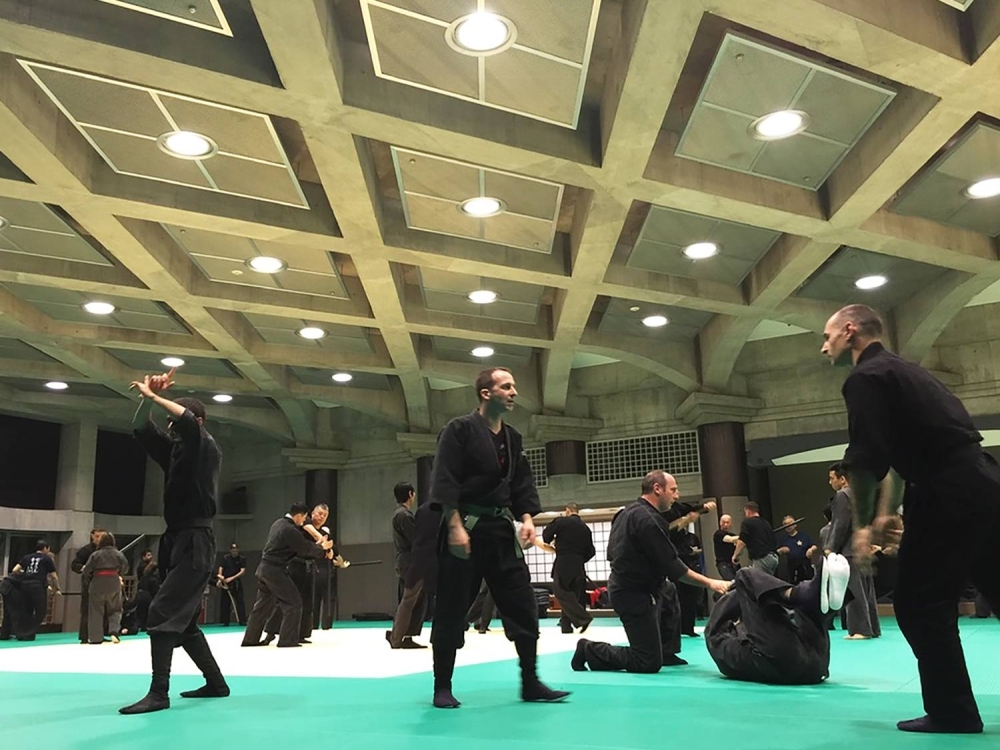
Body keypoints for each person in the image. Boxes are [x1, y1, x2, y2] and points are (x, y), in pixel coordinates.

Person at [821, 303, 1000, 734]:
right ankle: (952, 709)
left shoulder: (865, 378)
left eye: (827, 337)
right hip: (984, 482)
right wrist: (887, 513)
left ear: (850, 331)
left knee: (920, 604)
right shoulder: (907, 372)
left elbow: (865, 463)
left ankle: (953, 711)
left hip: (946, 491)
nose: (823, 346)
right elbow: (900, 461)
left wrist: (862, 526)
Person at [427, 367, 568, 708]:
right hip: (466, 530)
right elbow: (445, 477)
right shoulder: (458, 430)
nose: (514, 391)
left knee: (522, 604)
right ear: (486, 393)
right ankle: (442, 686)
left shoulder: (512, 437)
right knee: (451, 607)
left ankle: (531, 681)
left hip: (502, 532)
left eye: (514, 386)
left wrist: (527, 518)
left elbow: (521, 483)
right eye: (506, 386)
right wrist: (454, 525)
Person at [120, 368, 229, 715]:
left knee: (162, 611)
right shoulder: (176, 452)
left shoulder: (204, 446)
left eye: (175, 424)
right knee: (184, 622)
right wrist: (144, 400)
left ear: (195, 422)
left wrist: (156, 396)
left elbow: (183, 420)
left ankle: (159, 692)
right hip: (178, 539)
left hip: (197, 540)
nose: (170, 430)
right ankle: (216, 683)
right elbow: (141, 427)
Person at [571, 471, 731, 674]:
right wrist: (711, 583)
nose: (677, 495)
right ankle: (589, 649)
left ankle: (666, 651)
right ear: (657, 489)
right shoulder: (648, 520)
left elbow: (613, 552)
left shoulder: (627, 513)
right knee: (646, 662)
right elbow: (674, 567)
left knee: (669, 590)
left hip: (639, 584)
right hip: (632, 592)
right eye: (673, 490)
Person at [705, 554, 851, 685]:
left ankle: (820, 600)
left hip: (813, 664)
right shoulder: (716, 639)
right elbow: (717, 624)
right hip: (788, 663)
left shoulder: (730, 646)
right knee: (744, 576)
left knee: (802, 608)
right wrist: (733, 589)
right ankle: (804, 594)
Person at [242, 502, 333, 648]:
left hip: (264, 569)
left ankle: (250, 639)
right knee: (294, 603)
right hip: (275, 570)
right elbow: (304, 548)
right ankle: (287, 640)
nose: (303, 522)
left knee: (262, 606)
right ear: (299, 516)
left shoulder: (278, 523)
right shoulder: (290, 530)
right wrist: (321, 548)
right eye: (303, 518)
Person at [825, 463, 880, 640]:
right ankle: (873, 627)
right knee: (867, 590)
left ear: (842, 479)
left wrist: (831, 547)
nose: (830, 482)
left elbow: (840, 523)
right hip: (863, 545)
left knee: (854, 589)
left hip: (849, 548)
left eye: (832, 478)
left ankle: (861, 629)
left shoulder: (842, 495)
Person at [542, 503, 596, 634]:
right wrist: (579, 559)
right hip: (579, 565)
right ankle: (566, 627)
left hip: (563, 562)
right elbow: (591, 551)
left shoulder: (561, 522)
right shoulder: (585, 528)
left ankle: (583, 618)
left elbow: (546, 535)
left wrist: (555, 540)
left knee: (561, 592)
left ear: (567, 511)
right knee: (572, 595)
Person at [388, 481, 426, 649]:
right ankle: (397, 638)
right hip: (411, 562)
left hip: (406, 561)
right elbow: (415, 540)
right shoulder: (404, 515)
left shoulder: (399, 514)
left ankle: (404, 635)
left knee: (414, 600)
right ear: (411, 494)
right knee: (409, 600)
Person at [82, 532, 129, 644]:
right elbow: (125, 568)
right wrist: (118, 574)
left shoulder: (95, 554)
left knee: (96, 611)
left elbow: (87, 570)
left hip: (97, 582)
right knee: (116, 609)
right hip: (113, 581)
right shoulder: (118, 554)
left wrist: (88, 581)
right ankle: (114, 632)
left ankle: (95, 638)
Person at [11, 540, 60, 640]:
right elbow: (53, 575)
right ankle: (29, 632)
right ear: (46, 548)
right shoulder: (46, 558)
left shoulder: (27, 557)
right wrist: (57, 587)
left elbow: (15, 570)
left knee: (26, 610)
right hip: (38, 586)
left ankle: (22, 633)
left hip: (25, 585)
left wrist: (25, 573)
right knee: (40, 611)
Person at [71, 528, 105, 644]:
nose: (99, 539)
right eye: (97, 536)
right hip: (88, 583)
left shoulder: (107, 550)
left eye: (101, 536)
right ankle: (84, 636)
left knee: (102, 610)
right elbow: (74, 565)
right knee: (86, 610)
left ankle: (99, 634)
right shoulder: (85, 550)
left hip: (103, 583)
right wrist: (86, 568)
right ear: (92, 536)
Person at [732, 502, 778, 575]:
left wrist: (735, 555)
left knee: (759, 582)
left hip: (762, 557)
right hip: (774, 558)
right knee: (768, 581)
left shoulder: (747, 523)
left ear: (748, 511)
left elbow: (741, 541)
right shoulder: (766, 523)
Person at [776, 516, 816, 584]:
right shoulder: (783, 539)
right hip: (792, 567)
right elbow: (776, 552)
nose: (788, 526)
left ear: (795, 524)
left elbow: (814, 546)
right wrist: (780, 550)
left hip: (805, 565)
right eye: (785, 524)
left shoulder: (803, 536)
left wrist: (811, 550)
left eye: (790, 523)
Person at [217, 543, 246, 626]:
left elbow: (242, 571)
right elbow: (221, 568)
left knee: (239, 601)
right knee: (225, 602)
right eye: (233, 550)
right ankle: (225, 621)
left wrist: (232, 578)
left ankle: (242, 621)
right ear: (230, 551)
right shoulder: (225, 558)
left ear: (238, 550)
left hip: (236, 582)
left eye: (236, 550)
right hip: (225, 582)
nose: (234, 552)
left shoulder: (241, 558)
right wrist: (220, 579)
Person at [714, 515, 739, 581]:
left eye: (727, 522)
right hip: (723, 563)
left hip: (733, 563)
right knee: (731, 581)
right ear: (720, 523)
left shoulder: (733, 535)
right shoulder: (718, 534)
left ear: (731, 523)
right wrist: (745, 536)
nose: (725, 524)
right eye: (723, 522)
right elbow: (730, 539)